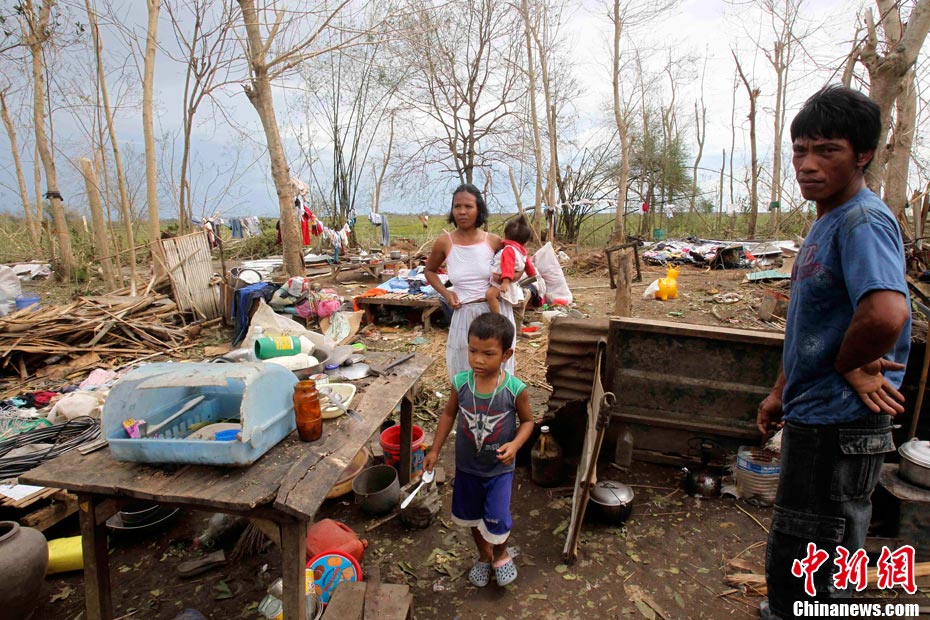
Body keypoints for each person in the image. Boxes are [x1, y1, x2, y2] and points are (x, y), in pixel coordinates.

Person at [757, 85, 911, 619]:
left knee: (819, 551)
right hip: (816, 416)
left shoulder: (862, 220)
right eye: (801, 150)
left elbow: (886, 313)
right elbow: (812, 325)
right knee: (799, 541)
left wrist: (849, 364)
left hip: (840, 426)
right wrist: (780, 392)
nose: (808, 164)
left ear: (863, 154)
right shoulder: (829, 219)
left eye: (827, 151)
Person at [423, 312, 534, 587]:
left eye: (488, 353)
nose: (478, 360)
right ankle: (484, 556)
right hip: (467, 468)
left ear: (506, 355)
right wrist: (434, 450)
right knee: (471, 516)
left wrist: (515, 444)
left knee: (498, 517)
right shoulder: (461, 383)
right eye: (473, 351)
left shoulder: (514, 389)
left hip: (499, 469)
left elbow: (528, 422)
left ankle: (500, 553)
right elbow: (448, 414)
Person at [425, 183, 516, 382]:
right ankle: (466, 402)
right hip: (465, 315)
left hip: (494, 313)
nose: (462, 212)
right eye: (457, 206)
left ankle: (499, 401)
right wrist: (446, 294)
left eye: (468, 206)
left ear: (479, 209)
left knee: (498, 371)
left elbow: (517, 267)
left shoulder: (493, 241)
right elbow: (429, 271)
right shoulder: (444, 242)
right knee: (465, 371)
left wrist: (507, 279)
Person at [485, 215, 537, 314]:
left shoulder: (508, 250)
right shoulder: (522, 252)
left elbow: (507, 266)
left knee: (490, 295)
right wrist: (532, 273)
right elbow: (528, 264)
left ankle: (496, 315)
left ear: (505, 235)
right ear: (526, 242)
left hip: (501, 283)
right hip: (509, 282)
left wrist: (505, 282)